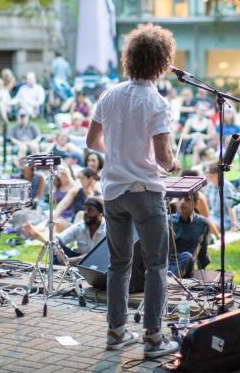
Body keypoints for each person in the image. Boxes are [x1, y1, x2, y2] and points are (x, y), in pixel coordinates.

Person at [86, 23, 180, 357]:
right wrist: (172, 165)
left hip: (113, 191)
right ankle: (153, 339)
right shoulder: (156, 103)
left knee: (119, 264)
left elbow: (91, 141)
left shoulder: (109, 94)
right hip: (145, 190)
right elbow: (164, 157)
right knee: (156, 266)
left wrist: (117, 154)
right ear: (161, 61)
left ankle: (116, 333)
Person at [24, 197, 106, 265]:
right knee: (55, 247)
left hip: (98, 262)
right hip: (78, 260)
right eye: (85, 209)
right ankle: (57, 276)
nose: (86, 213)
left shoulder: (106, 230)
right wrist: (59, 252)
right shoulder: (80, 227)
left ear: (100, 214)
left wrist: (70, 261)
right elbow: (57, 239)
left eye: (91, 210)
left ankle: (65, 269)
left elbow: (97, 254)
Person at [168, 193, 211, 278]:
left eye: (187, 199)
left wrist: (203, 274)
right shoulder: (167, 220)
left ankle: (170, 279)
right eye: (180, 199)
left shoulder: (203, 223)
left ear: (195, 203)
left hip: (187, 266)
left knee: (187, 256)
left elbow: (203, 253)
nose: (182, 202)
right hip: (166, 264)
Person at [202, 163, 238, 234]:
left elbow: (231, 206)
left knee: (205, 225)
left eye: (209, 173)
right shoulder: (209, 186)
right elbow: (206, 204)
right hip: (212, 216)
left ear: (216, 174)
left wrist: (233, 225)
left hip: (224, 220)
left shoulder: (226, 186)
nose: (206, 175)